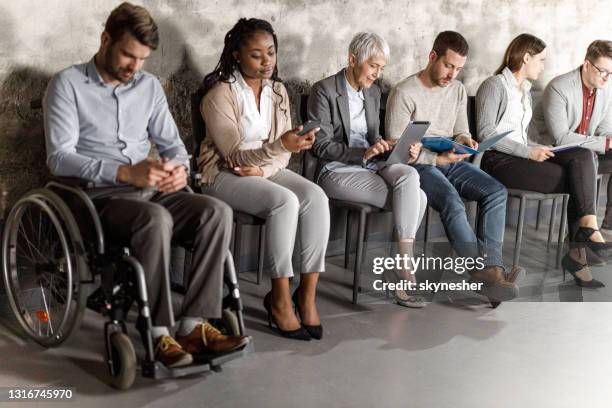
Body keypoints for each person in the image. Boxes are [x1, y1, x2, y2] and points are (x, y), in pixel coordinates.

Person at [43, 2, 249, 368]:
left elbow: (174, 148)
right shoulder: (68, 84)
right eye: (127, 55)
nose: (134, 67)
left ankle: (192, 324)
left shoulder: (148, 86)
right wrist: (123, 173)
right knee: (155, 219)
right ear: (105, 39)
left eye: (142, 59)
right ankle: (157, 333)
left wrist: (178, 170)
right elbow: (59, 158)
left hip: (153, 192)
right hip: (96, 198)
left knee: (216, 212)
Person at [198, 18, 329, 340]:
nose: (266, 61)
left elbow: (284, 154)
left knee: (315, 197)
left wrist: (268, 167)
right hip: (224, 175)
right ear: (237, 56)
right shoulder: (219, 95)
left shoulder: (278, 92)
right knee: (284, 201)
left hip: (265, 170)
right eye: (256, 54)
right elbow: (234, 157)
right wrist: (278, 148)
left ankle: (307, 296)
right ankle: (280, 299)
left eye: (270, 52)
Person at [385, 31, 524, 303]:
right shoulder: (404, 92)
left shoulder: (458, 90)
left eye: (459, 69)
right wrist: (435, 159)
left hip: (449, 158)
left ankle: (491, 269)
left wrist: (464, 141)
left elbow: (461, 129)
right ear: (432, 56)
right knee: (452, 201)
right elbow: (397, 150)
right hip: (418, 165)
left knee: (496, 191)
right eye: (448, 66)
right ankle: (481, 271)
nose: (452, 74)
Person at [308, 32, 427, 307]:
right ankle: (404, 273)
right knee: (416, 198)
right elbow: (321, 146)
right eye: (373, 66)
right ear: (352, 60)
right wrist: (362, 153)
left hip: (372, 165)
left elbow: (373, 137)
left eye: (381, 68)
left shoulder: (373, 92)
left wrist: (393, 147)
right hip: (337, 170)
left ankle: (402, 265)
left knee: (410, 174)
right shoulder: (324, 90)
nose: (377, 74)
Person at [477, 33, 604, 288]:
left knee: (582, 155)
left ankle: (587, 227)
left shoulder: (524, 91)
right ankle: (580, 251)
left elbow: (522, 137)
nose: (543, 66)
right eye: (541, 60)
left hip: (521, 156)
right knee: (577, 179)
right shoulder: (494, 85)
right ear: (526, 58)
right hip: (497, 161)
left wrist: (538, 147)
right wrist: (528, 152)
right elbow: (486, 135)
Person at [531, 40, 612, 237]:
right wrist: (605, 143)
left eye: (611, 74)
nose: (607, 78)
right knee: (584, 159)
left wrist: (608, 141)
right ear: (586, 65)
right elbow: (561, 137)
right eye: (603, 71)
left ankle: (607, 226)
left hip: (586, 154)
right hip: (550, 151)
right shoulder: (559, 87)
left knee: (589, 156)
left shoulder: (606, 91)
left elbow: (605, 131)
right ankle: (583, 238)